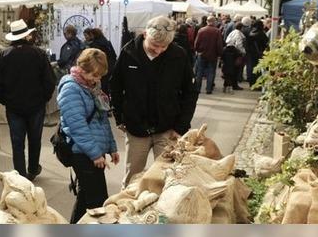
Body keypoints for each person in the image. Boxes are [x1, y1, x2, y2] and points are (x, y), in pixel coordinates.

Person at [110, 16, 198, 187]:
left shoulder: (178, 55)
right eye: (154, 45)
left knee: (167, 176)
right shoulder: (128, 52)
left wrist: (181, 126)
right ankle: (126, 209)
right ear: (145, 34)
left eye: (163, 47)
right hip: (136, 128)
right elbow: (115, 86)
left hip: (168, 128)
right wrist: (119, 117)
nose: (158, 50)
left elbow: (190, 92)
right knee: (132, 177)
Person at [57, 49, 119, 223]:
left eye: (100, 75)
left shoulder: (91, 86)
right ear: (82, 70)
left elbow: (102, 120)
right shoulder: (71, 88)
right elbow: (77, 127)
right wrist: (95, 154)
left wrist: (112, 147)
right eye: (95, 75)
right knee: (98, 202)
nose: (98, 79)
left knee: (86, 197)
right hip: (82, 153)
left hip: (92, 151)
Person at [0, 19, 56, 180]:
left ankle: (20, 175)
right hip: (36, 105)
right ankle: (33, 169)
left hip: (14, 106)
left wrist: (5, 100)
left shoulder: (4, 55)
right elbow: (49, 81)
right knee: (35, 139)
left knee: (17, 142)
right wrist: (44, 99)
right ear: (27, 35)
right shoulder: (39, 54)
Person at [194, 16, 223, 95]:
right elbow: (219, 44)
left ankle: (197, 88)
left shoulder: (201, 30)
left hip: (202, 54)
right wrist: (220, 54)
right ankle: (209, 89)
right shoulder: (217, 31)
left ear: (207, 21)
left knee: (199, 72)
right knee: (211, 72)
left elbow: (196, 43)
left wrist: (197, 50)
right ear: (214, 22)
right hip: (213, 55)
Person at [84, 28, 117, 96]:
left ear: (94, 34)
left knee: (101, 88)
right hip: (111, 67)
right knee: (107, 88)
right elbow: (114, 55)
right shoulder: (107, 42)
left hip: (101, 68)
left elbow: (92, 59)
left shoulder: (94, 44)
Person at [225, 22, 246, 91]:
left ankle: (230, 84)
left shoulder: (233, 32)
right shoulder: (238, 34)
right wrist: (243, 52)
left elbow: (227, 40)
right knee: (236, 70)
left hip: (229, 51)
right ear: (241, 28)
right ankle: (234, 84)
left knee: (230, 69)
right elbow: (239, 44)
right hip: (235, 53)